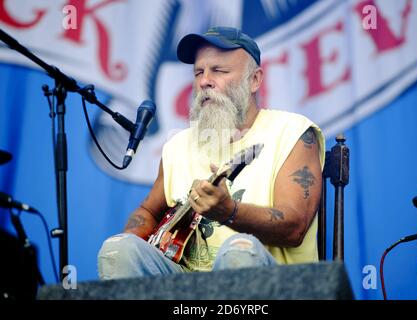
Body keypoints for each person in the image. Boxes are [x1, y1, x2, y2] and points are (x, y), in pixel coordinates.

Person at [97, 26, 325, 280]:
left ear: (255, 80)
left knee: (239, 251)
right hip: (183, 285)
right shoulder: (177, 146)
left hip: (273, 286)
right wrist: (143, 241)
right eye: (198, 72)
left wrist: (230, 211)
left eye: (219, 70)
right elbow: (148, 212)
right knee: (118, 250)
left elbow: (294, 228)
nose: (204, 81)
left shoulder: (292, 132)